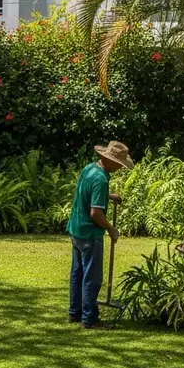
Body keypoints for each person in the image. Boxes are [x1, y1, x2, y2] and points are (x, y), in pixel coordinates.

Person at [67, 141, 134, 329]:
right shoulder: (101, 179)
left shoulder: (90, 169)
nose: (120, 169)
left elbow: (86, 194)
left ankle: (75, 313)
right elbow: (95, 213)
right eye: (119, 165)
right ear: (110, 160)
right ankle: (90, 319)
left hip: (76, 229)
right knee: (92, 277)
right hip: (89, 233)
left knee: (78, 273)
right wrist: (111, 229)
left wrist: (108, 196)